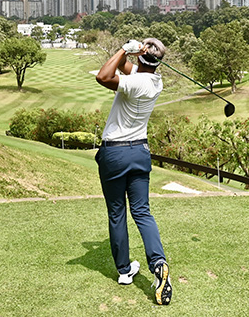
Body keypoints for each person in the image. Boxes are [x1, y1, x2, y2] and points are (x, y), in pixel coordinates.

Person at [94, 38, 172, 305]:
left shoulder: (135, 82)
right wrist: (138, 54)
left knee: (117, 212)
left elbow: (104, 76)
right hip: (139, 152)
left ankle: (125, 271)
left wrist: (125, 49)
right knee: (142, 211)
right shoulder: (155, 82)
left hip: (115, 153)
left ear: (142, 58)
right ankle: (158, 262)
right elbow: (128, 68)